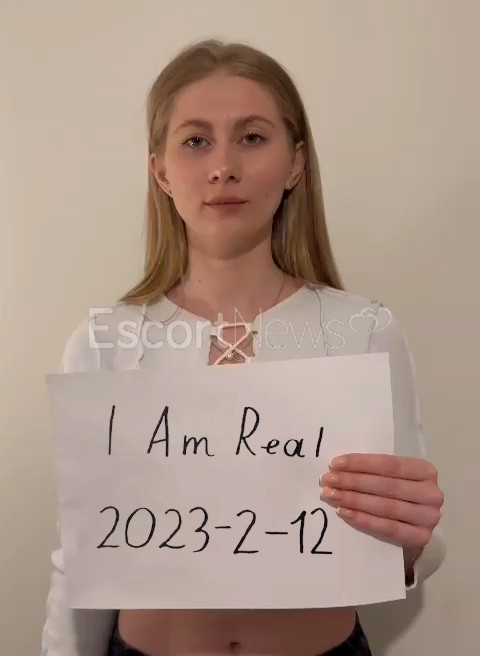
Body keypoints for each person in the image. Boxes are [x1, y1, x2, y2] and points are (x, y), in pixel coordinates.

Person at [41, 38, 446, 656]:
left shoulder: (364, 330)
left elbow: (413, 542)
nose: (223, 166)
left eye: (252, 137)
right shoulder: (104, 342)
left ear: (295, 164)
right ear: (160, 171)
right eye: (195, 141)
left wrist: (412, 543)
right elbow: (80, 556)